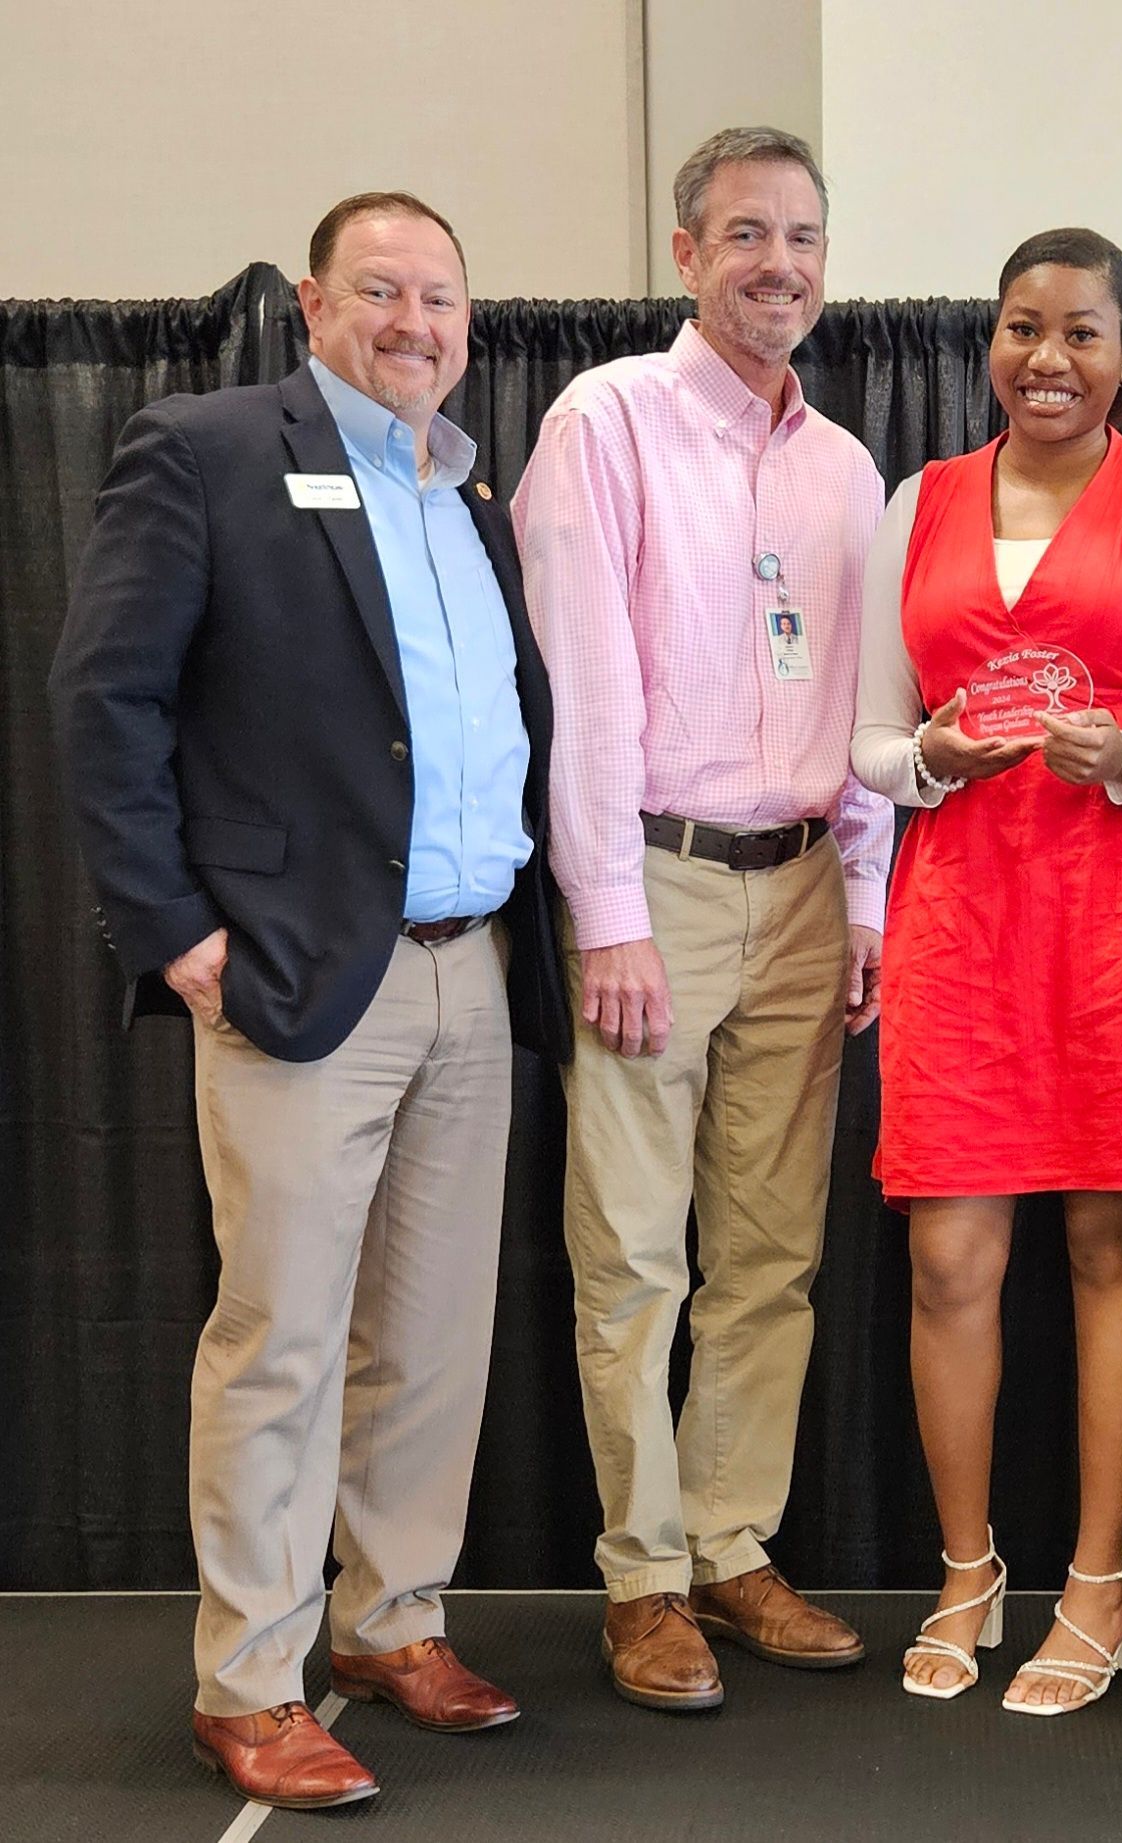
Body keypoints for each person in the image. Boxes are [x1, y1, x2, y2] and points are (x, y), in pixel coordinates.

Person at [48, 191, 570, 1809]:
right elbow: (104, 695)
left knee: (430, 1334)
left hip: (470, 969)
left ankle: (390, 1619)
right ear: (308, 300)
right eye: (383, 292)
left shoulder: (468, 485)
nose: (417, 322)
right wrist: (172, 930)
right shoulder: (205, 449)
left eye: (443, 299)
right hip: (293, 974)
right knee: (281, 1337)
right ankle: (253, 1675)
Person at [852, 228, 1122, 1714]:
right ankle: (968, 1569)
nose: (1049, 357)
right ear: (990, 346)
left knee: (1110, 1247)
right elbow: (864, 737)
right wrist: (926, 759)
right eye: (1024, 328)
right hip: (965, 916)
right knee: (949, 1257)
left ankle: (1102, 1582)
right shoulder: (919, 504)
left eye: (1082, 334)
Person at [512, 126, 891, 1713]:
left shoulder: (848, 467)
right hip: (653, 886)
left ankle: (734, 1548)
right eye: (747, 235)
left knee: (769, 1257)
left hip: (806, 885)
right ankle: (645, 1579)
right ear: (686, 255)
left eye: (803, 237)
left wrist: (864, 891)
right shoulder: (605, 422)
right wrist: (604, 915)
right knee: (632, 1260)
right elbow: (587, 691)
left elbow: (872, 696)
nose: (779, 266)